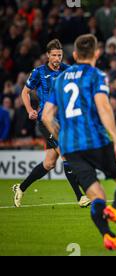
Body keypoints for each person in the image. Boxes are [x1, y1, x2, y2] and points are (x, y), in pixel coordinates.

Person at [42, 34, 116, 251]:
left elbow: (47, 116)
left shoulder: (59, 80)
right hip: (95, 141)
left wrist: (61, 137)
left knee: (96, 196)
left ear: (74, 55)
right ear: (97, 53)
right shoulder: (96, 75)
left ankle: (107, 235)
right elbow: (103, 107)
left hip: (70, 147)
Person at [12, 39, 89, 208]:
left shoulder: (68, 71)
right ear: (48, 56)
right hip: (46, 121)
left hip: (64, 121)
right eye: (54, 55)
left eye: (59, 55)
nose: (57, 58)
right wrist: (30, 110)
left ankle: (21, 187)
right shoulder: (39, 72)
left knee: (49, 164)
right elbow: (25, 92)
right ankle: (80, 197)